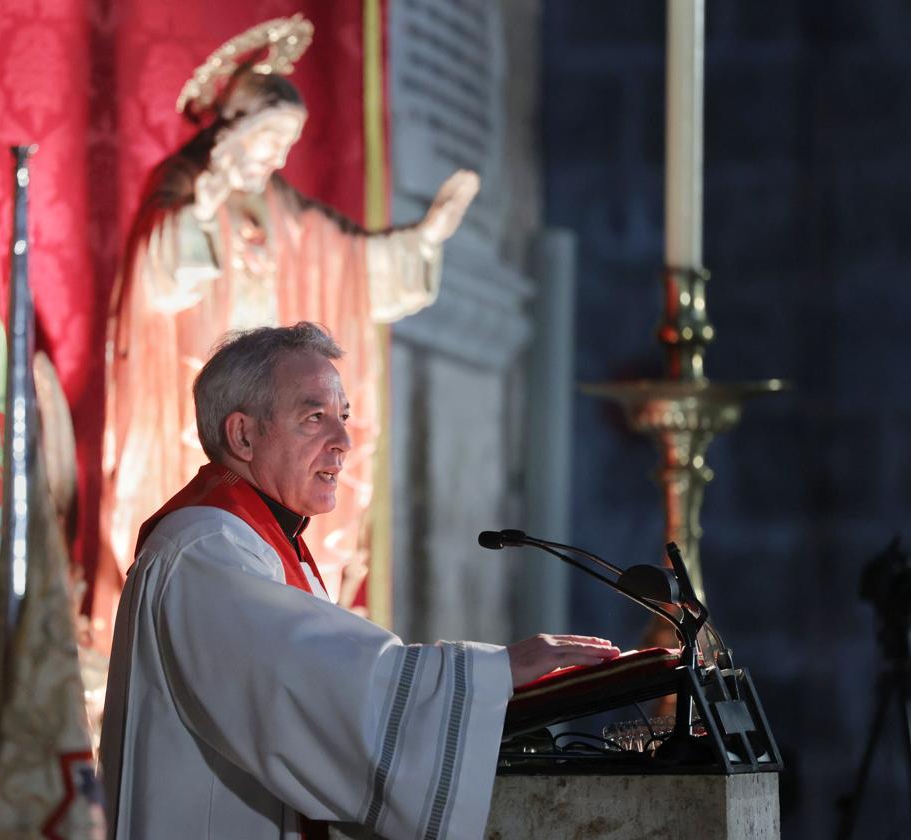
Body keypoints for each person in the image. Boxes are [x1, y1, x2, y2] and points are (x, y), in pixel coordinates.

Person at [99, 323, 620, 839]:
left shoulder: (259, 543)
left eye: (343, 417)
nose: (344, 441)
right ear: (243, 435)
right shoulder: (207, 547)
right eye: (315, 417)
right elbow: (303, 683)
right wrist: (491, 673)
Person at [95, 16, 481, 650]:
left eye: (287, 143)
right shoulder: (189, 187)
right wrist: (199, 206)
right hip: (194, 392)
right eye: (269, 138)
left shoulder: (285, 209)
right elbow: (159, 277)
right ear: (234, 129)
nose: (278, 156)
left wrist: (421, 241)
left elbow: (349, 258)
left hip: (266, 414)